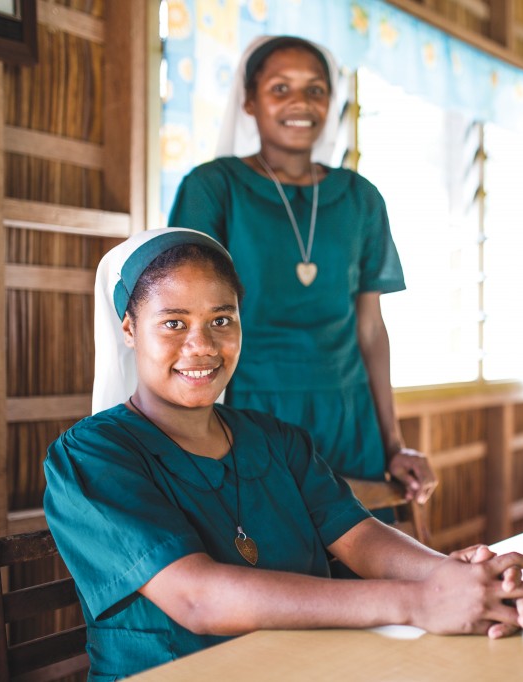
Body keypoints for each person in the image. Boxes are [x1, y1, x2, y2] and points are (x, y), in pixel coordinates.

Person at [44, 229, 523, 680]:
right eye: (174, 323)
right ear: (129, 330)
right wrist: (419, 601)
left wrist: (452, 576)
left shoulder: (276, 440)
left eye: (222, 319)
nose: (202, 346)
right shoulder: (93, 456)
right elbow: (196, 598)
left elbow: (361, 538)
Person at [167, 35, 436, 505]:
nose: (300, 103)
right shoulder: (214, 187)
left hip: (349, 416)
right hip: (247, 409)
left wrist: (393, 444)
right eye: (280, 88)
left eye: (315, 89)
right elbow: (188, 321)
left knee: (365, 564)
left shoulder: (361, 198)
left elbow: (370, 329)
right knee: (269, 558)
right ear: (249, 101)